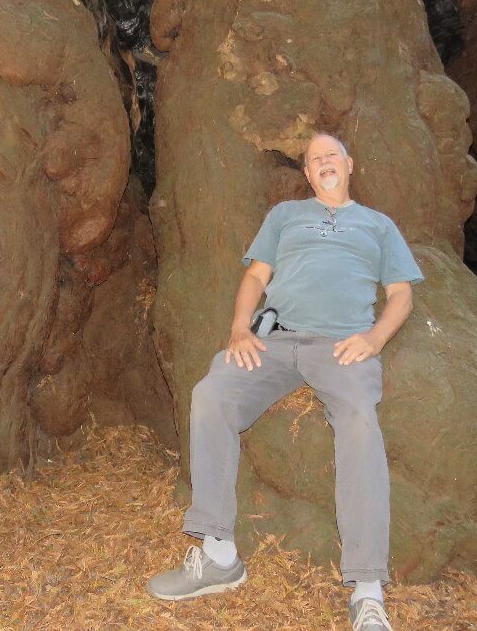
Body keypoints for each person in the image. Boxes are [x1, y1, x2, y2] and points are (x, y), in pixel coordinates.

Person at [146, 133, 422, 631]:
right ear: (309, 174)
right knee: (210, 395)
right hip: (274, 340)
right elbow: (255, 277)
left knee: (359, 421)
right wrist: (239, 327)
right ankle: (219, 553)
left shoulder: (378, 226)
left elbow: (400, 294)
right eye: (314, 159)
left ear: (350, 164)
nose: (323, 163)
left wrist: (376, 338)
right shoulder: (285, 217)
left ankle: (366, 586)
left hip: (341, 346)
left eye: (331, 155)